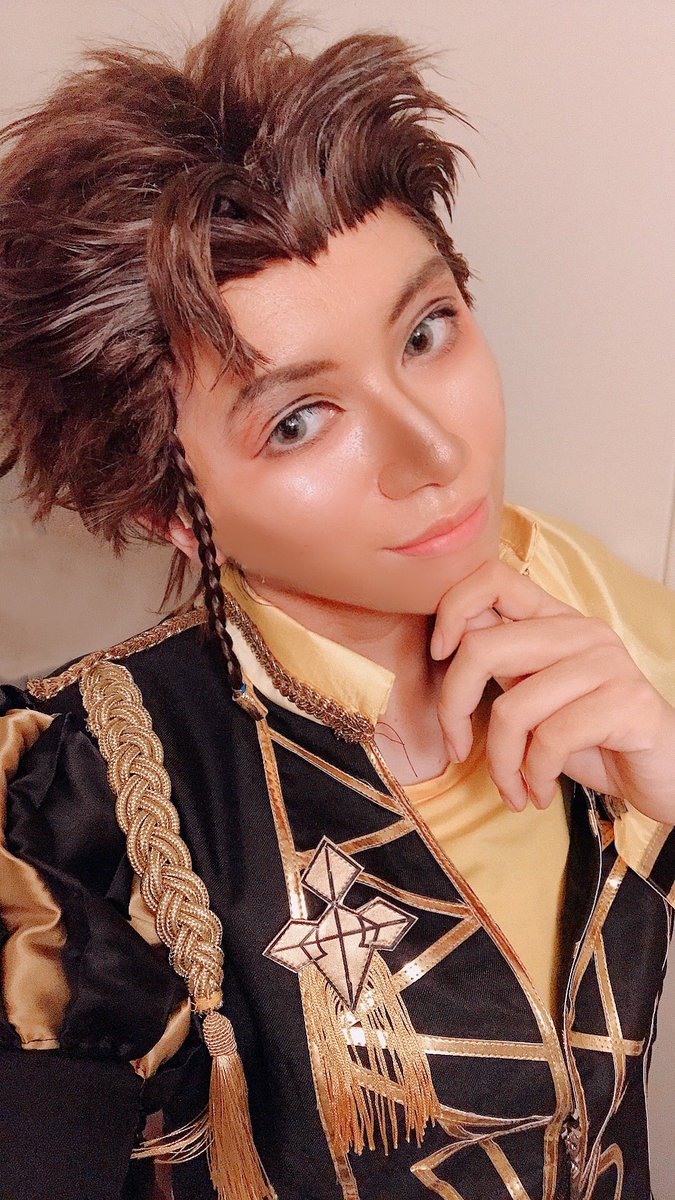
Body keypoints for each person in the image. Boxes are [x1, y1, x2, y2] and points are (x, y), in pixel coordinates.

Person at [1, 1, 674, 1197]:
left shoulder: (582, 599)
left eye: (427, 332)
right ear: (170, 508)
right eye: (300, 420)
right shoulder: (76, 802)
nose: (434, 453)